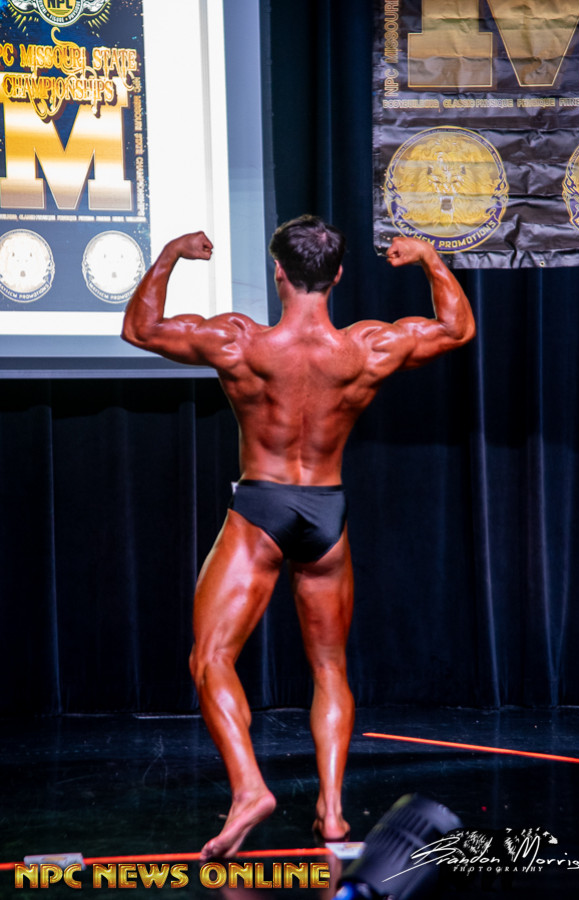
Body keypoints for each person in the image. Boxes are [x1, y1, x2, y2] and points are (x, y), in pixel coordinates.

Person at [121, 215, 476, 860]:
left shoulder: (239, 342)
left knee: (211, 657)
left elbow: (141, 329)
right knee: (329, 667)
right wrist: (429, 258)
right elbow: (457, 329)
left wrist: (171, 253)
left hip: (263, 506)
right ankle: (333, 813)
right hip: (326, 513)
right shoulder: (368, 348)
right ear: (337, 276)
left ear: (278, 272)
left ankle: (249, 789)